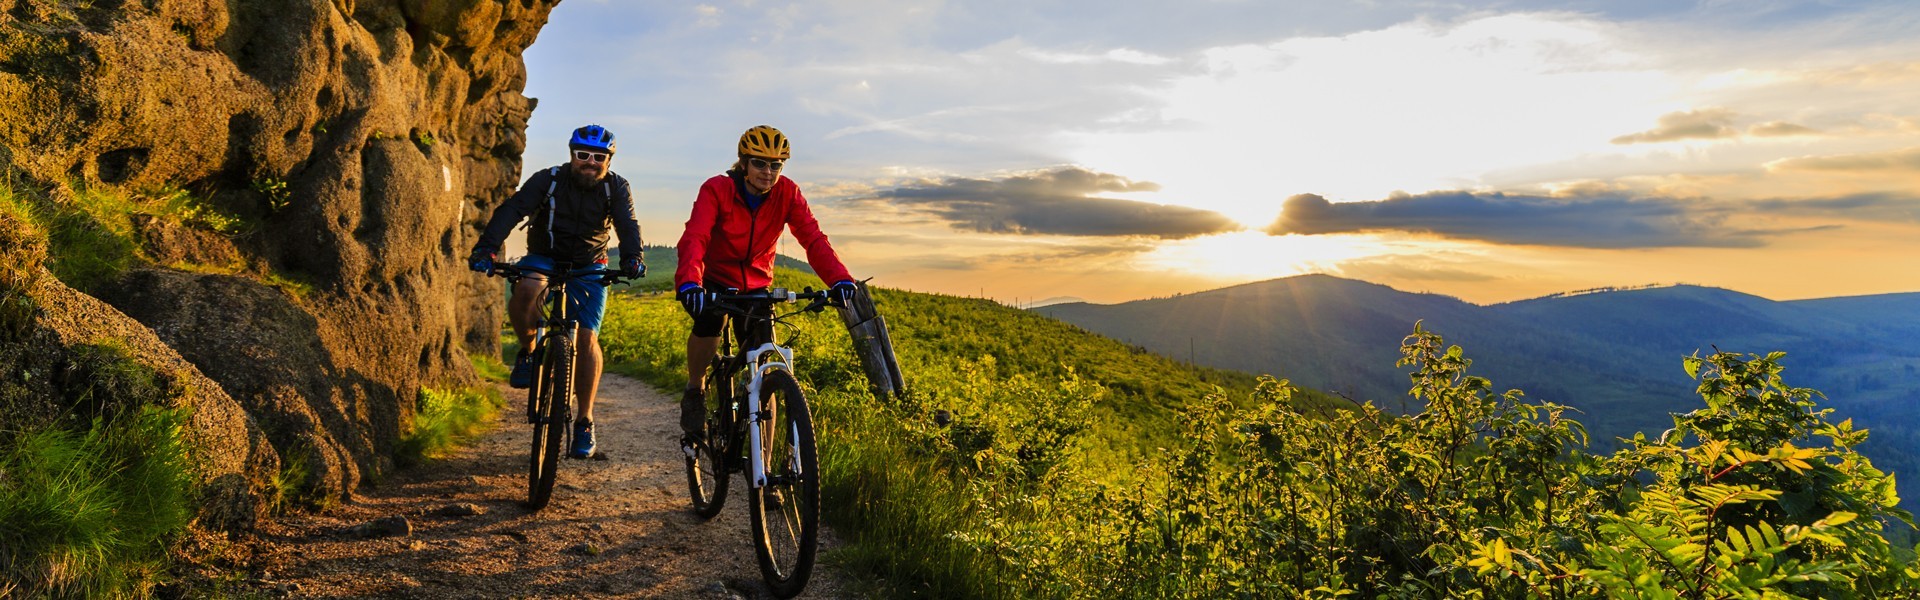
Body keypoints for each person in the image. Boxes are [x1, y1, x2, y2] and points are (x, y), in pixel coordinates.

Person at [469, 124, 644, 459]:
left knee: (586, 339)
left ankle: (585, 421)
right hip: (544, 258)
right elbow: (512, 209)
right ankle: (529, 351)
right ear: (571, 155)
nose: (590, 162)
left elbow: (627, 224)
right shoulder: (547, 180)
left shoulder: (615, 187)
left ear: (608, 160)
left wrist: (633, 257)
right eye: (583, 155)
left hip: (590, 264)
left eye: (598, 157)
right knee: (528, 288)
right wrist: (486, 249)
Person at [675, 125, 857, 437]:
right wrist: (691, 282)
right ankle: (695, 388)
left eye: (776, 165)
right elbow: (696, 236)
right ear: (743, 163)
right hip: (715, 279)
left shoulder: (788, 193)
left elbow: (813, 238)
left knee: (763, 370)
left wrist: (840, 279)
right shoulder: (717, 189)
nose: (768, 172)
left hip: (757, 284)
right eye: (759, 163)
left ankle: (767, 474)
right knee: (709, 324)